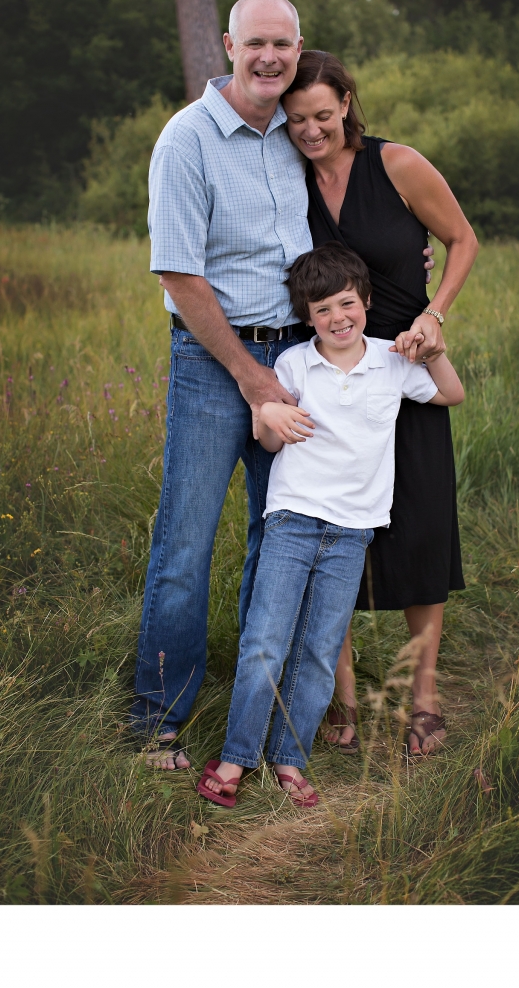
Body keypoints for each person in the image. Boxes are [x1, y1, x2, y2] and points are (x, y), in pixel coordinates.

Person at [197, 243, 465, 807]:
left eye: (347, 304)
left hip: (353, 531)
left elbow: (451, 394)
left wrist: (431, 346)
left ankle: (289, 759)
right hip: (292, 521)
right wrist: (269, 416)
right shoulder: (294, 363)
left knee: (319, 649)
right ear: (307, 318)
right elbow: (268, 438)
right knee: (267, 640)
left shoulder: (392, 362)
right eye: (322, 311)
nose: (337, 318)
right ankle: (236, 756)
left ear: (366, 301)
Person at [130, 0, 311, 768]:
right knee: (185, 542)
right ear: (228, 48)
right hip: (214, 364)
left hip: (299, 360)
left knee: (282, 537)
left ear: (299, 49)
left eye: (284, 44)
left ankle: (259, 700)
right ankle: (159, 716)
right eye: (255, 43)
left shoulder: (300, 136)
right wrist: (249, 378)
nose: (270, 57)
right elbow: (177, 271)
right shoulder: (187, 140)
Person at [282, 50, 478, 756]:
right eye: (297, 119)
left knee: (420, 529)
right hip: (332, 374)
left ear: (347, 104)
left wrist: (436, 316)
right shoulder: (287, 179)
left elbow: (461, 240)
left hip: (406, 364)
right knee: (335, 532)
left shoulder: (397, 165)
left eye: (324, 116)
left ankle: (423, 699)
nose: (311, 131)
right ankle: (343, 701)